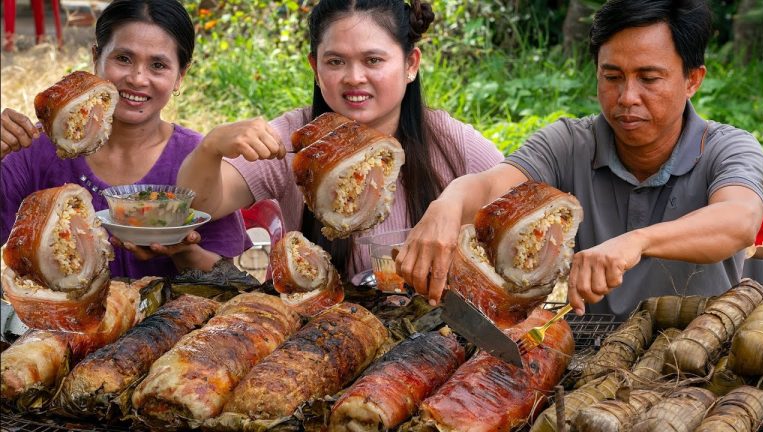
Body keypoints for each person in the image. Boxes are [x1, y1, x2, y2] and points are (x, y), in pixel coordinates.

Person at [395, 0, 763, 320]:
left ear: (692, 80)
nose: (627, 97)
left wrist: (636, 242)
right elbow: (492, 184)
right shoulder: (569, 144)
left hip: (702, 357)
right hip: (594, 362)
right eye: (612, 76)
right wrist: (449, 204)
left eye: (649, 79)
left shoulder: (727, 148)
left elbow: (739, 220)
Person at [176, 0, 504, 279]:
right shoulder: (291, 139)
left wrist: (458, 204)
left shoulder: (452, 143)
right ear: (315, 68)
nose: (354, 77)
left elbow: (521, 202)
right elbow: (195, 207)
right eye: (335, 62)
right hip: (325, 327)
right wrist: (211, 147)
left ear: (411, 64)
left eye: (373, 60)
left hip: (435, 328)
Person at [0, 0, 251, 279]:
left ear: (180, 76)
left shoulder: (198, 159)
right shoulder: (37, 147)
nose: (137, 78)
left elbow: (226, 284)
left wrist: (180, 250)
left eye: (158, 65)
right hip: (51, 309)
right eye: (123, 59)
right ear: (96, 58)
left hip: (167, 309)